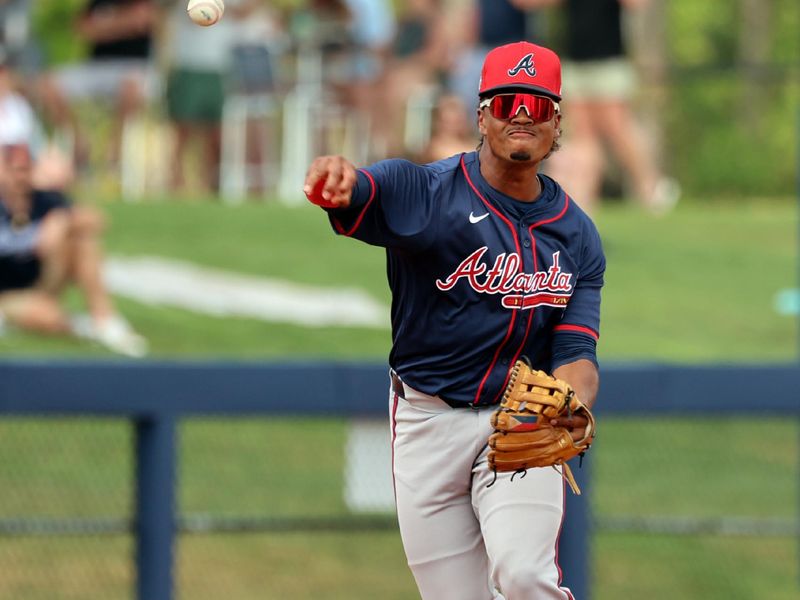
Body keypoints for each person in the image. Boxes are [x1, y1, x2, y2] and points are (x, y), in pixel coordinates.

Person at [303, 41, 604, 599]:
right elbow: (366, 191)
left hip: (519, 421)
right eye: (508, 100)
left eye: (536, 105)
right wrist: (340, 183)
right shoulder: (428, 193)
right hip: (426, 421)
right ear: (482, 114)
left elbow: (576, 356)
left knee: (523, 576)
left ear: (555, 123)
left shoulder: (577, 233)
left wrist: (564, 407)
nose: (521, 113)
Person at [0, 143, 147, 356]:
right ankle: (82, 326)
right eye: (14, 170)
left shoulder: (43, 199)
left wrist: (63, 221)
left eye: (25, 170)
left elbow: (97, 219)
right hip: (7, 293)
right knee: (46, 317)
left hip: (43, 282)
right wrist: (37, 236)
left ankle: (105, 319)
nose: (20, 178)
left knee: (83, 241)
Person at [545, 0, 679, 214]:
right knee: (582, 133)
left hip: (609, 59)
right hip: (575, 59)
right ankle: (585, 199)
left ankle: (651, 187)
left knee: (617, 127)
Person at [37, 0, 157, 168]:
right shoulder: (97, 2)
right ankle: (77, 141)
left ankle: (116, 147)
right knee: (48, 84)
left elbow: (143, 21)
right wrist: (124, 23)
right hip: (96, 67)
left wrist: (105, 26)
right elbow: (82, 29)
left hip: (135, 66)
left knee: (131, 86)